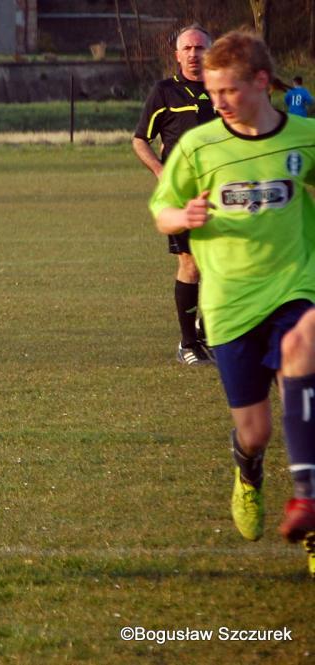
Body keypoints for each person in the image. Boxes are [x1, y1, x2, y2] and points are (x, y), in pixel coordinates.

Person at [149, 31, 315, 577]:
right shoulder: (199, 146)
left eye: (228, 90)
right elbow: (162, 212)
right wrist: (184, 216)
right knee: (256, 431)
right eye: (212, 91)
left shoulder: (305, 136)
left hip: (296, 286)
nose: (217, 101)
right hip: (229, 304)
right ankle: (248, 470)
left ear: (262, 82)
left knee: (303, 347)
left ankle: (310, 506)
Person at [133, 25, 216, 365]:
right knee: (190, 263)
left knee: (222, 264)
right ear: (177, 55)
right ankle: (188, 344)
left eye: (200, 48)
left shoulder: (225, 89)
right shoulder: (165, 91)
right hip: (182, 195)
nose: (194, 54)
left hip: (223, 190)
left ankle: (208, 332)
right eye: (188, 49)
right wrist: (160, 171)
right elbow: (140, 139)